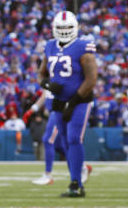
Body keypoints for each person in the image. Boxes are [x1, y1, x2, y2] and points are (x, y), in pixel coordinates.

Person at [35, 11, 97, 197]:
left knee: (73, 139)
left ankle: (76, 183)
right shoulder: (50, 46)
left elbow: (91, 79)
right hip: (58, 101)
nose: (64, 31)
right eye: (61, 28)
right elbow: (41, 73)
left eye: (67, 28)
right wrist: (46, 84)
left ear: (76, 28)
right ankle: (78, 173)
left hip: (79, 101)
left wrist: (74, 101)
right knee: (63, 142)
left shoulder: (83, 47)